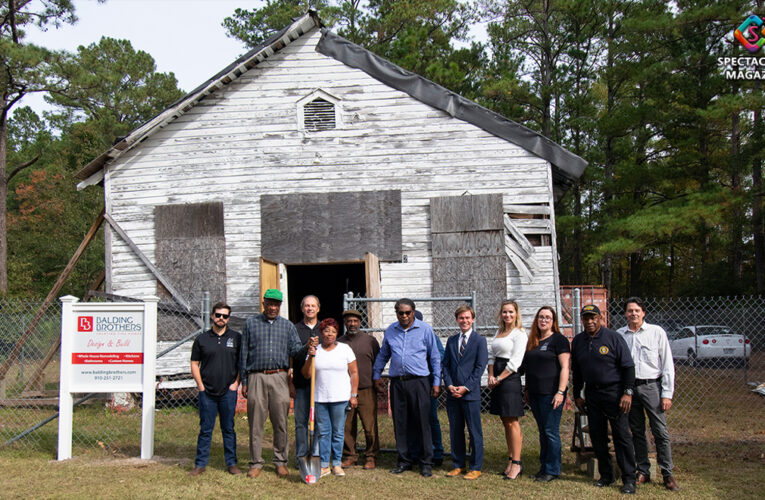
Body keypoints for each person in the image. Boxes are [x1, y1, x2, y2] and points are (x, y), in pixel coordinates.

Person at [240, 288, 310, 479]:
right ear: (263, 304)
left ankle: (280, 461)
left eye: (276, 304)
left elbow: (295, 350)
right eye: (269, 303)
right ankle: (255, 462)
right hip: (256, 376)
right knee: (256, 423)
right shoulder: (251, 324)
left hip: (280, 377)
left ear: (280, 306)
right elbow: (243, 353)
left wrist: (307, 347)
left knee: (280, 422)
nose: (272, 307)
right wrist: (244, 381)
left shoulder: (287, 326)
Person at [572, 304, 637, 495]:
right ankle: (606, 475)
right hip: (592, 394)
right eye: (586, 318)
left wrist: (627, 393)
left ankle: (628, 479)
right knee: (598, 436)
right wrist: (577, 395)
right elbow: (577, 372)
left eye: (594, 318)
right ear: (582, 320)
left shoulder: (613, 338)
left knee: (621, 436)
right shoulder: (578, 341)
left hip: (615, 393)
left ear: (601, 318)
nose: (590, 321)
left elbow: (628, 367)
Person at [373, 298, 442, 477]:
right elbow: (383, 355)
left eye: (407, 312)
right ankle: (404, 460)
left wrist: (436, 382)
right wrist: (376, 374)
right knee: (401, 422)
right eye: (400, 313)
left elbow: (435, 357)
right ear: (396, 313)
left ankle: (426, 462)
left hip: (419, 382)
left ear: (413, 312)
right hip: (397, 383)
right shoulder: (391, 331)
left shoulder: (425, 329)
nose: (404, 316)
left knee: (422, 422)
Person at [617, 297, 680, 491]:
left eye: (637, 310)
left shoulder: (656, 332)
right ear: (625, 314)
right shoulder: (620, 335)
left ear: (643, 312)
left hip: (651, 386)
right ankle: (643, 470)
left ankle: (667, 473)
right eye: (629, 311)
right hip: (629, 389)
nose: (633, 314)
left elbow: (667, 364)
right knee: (637, 431)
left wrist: (667, 393)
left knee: (660, 431)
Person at [189, 302, 241, 476]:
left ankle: (232, 464)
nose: (221, 319)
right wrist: (200, 385)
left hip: (228, 391)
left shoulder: (236, 338)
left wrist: (236, 384)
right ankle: (200, 464)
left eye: (225, 316)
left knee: (228, 428)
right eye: (218, 315)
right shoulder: (202, 339)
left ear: (228, 318)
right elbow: (194, 363)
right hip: (207, 392)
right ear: (212, 316)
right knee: (205, 429)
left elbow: (241, 363)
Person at [303, 318, 359, 477]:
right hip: (320, 398)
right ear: (321, 333)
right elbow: (306, 374)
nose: (330, 334)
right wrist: (310, 355)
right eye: (327, 331)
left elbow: (354, 372)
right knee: (324, 433)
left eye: (333, 331)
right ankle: (324, 464)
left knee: (338, 432)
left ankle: (336, 464)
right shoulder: (316, 350)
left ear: (337, 333)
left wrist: (353, 395)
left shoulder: (345, 349)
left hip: (340, 397)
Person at [521, 306, 570, 483]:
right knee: (543, 432)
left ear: (553, 321)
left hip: (551, 394)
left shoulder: (559, 340)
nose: (544, 320)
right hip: (534, 393)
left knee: (551, 432)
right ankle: (544, 468)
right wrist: (527, 389)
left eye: (548, 318)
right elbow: (528, 368)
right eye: (541, 317)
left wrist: (560, 391)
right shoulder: (533, 340)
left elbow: (565, 367)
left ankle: (553, 469)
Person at [443, 305, 488, 480]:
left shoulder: (479, 341)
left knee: (474, 431)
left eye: (468, 318)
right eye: (461, 318)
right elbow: (445, 365)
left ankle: (476, 466)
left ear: (473, 319)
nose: (465, 321)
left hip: (470, 394)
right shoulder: (452, 340)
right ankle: (458, 464)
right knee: (455, 430)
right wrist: (449, 385)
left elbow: (480, 367)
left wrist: (466, 387)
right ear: (457, 320)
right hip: (453, 394)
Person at [487, 299, 527, 480]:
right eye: (504, 312)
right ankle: (511, 459)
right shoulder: (500, 331)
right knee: (505, 420)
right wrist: (490, 375)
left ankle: (517, 463)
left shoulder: (519, 334)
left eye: (511, 312)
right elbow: (491, 356)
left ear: (516, 314)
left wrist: (499, 378)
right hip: (496, 377)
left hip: (509, 378)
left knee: (512, 421)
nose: (507, 315)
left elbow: (516, 362)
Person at [339, 309, 380, 470]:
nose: (352, 324)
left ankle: (371, 456)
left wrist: (377, 382)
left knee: (369, 426)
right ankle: (350, 455)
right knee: (347, 426)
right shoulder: (339, 342)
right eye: (349, 321)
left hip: (366, 388)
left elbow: (378, 362)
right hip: (344, 390)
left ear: (360, 322)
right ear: (345, 323)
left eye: (355, 321)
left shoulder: (370, 341)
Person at [291, 295, 321, 467]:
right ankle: (301, 456)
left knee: (318, 422)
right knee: (301, 422)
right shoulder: (294, 329)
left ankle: (316, 455)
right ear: (302, 309)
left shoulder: (324, 328)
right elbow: (292, 355)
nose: (310, 308)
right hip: (301, 384)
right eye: (307, 306)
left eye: (313, 306)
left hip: (320, 385)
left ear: (318, 308)